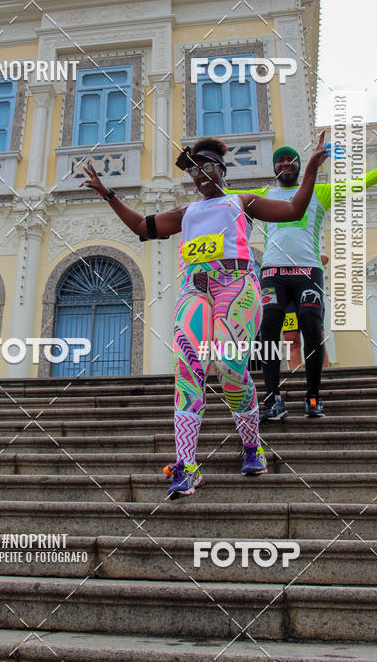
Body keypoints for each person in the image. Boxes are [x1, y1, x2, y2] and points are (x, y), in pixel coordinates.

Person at [82, 133, 329, 499]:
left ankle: (251, 445)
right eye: (194, 170)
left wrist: (310, 169)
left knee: (230, 368)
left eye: (206, 167)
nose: (199, 175)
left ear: (222, 170)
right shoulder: (187, 213)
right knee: (188, 369)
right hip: (194, 288)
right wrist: (108, 194)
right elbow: (142, 227)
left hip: (237, 285)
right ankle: (187, 466)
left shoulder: (242, 202)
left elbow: (294, 210)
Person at [225, 137, 377, 419]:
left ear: (301, 166)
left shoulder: (321, 191)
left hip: (307, 272)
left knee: (312, 332)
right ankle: (272, 400)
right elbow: (224, 193)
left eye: (291, 159)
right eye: (280, 160)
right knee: (268, 333)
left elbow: (363, 182)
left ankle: (313, 397)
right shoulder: (263, 194)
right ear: (275, 168)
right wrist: (196, 168)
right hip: (271, 274)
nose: (285, 163)